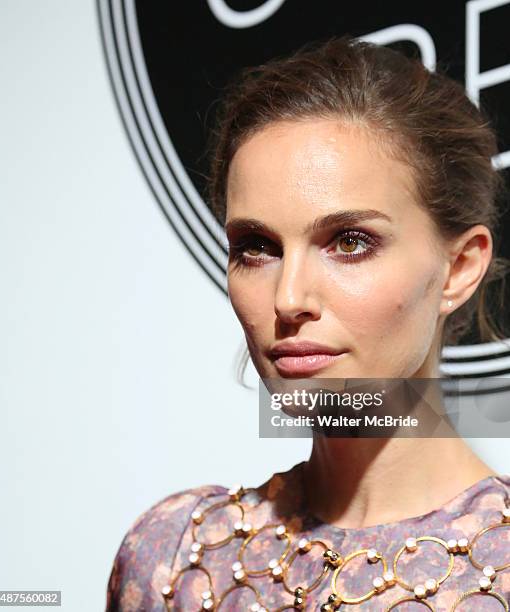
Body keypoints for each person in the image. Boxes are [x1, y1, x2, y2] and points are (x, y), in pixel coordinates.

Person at [105, 35, 510, 611]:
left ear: (459, 269)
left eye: (349, 242)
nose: (288, 297)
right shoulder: (174, 555)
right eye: (257, 247)